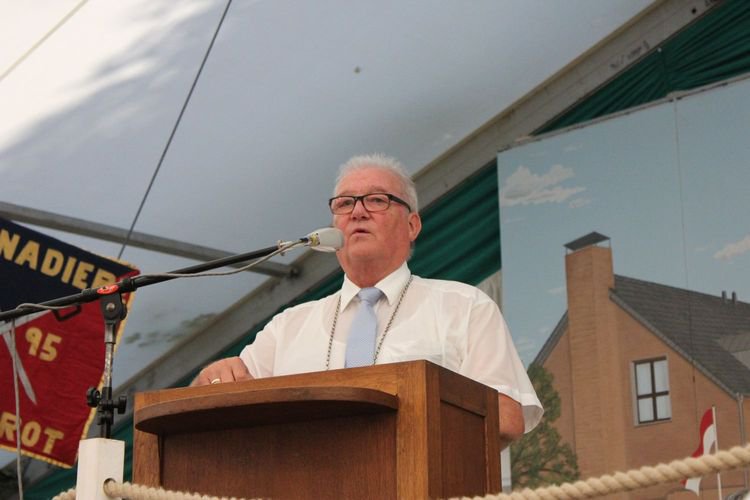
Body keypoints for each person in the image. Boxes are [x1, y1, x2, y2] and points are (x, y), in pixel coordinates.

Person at [192, 154, 543, 446]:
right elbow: (204, 407)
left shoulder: (464, 306)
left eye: (377, 200)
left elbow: (506, 418)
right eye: (345, 203)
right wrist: (211, 378)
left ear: (412, 225)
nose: (357, 212)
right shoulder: (288, 327)